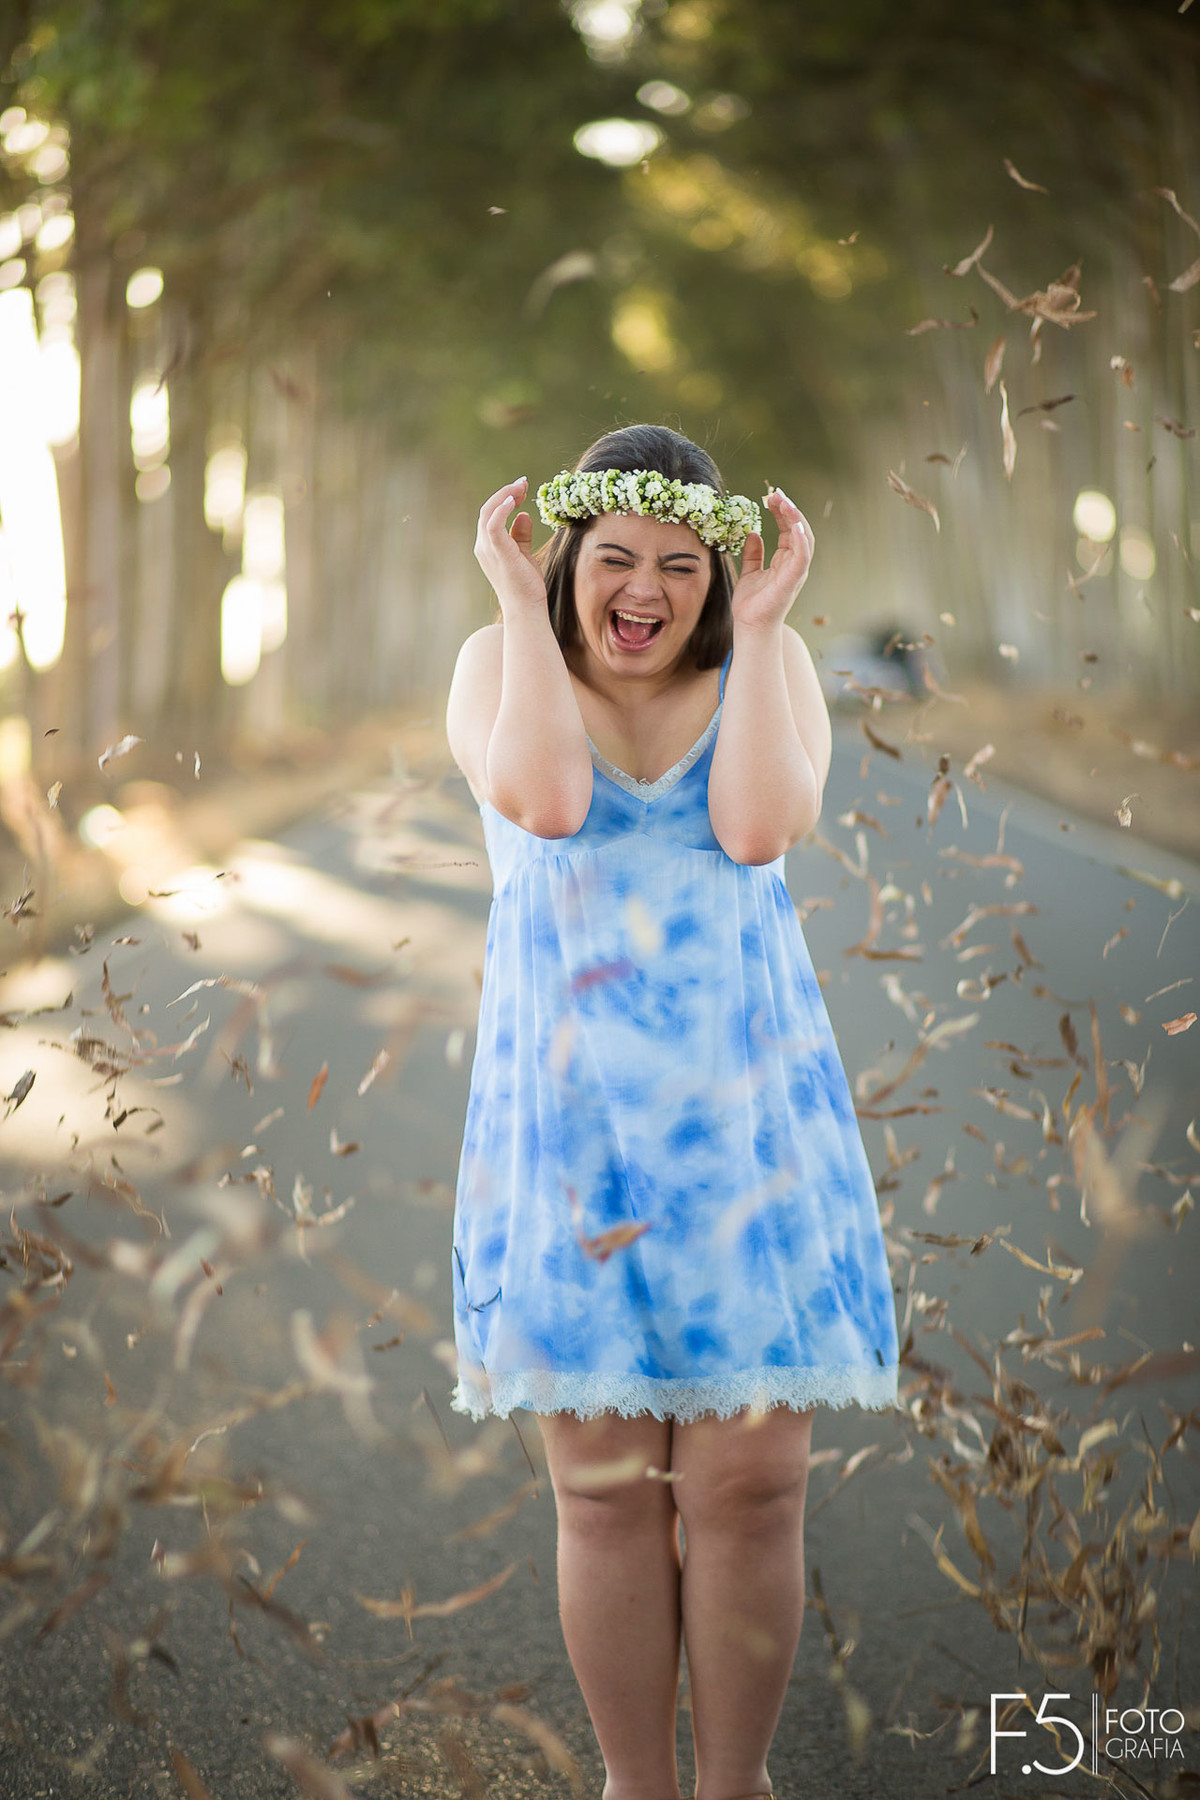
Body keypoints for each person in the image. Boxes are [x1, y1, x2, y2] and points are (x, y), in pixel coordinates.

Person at [444, 424, 900, 1800]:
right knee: (604, 1497)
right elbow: (549, 796)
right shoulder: (494, 665)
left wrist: (765, 632)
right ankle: (637, 1786)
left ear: (721, 582)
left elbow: (759, 827)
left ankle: (735, 1787)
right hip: (573, 1144)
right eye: (618, 561)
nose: (646, 591)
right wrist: (519, 608)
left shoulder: (773, 664)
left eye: (686, 569)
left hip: (750, 1135)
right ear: (572, 556)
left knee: (753, 1490)